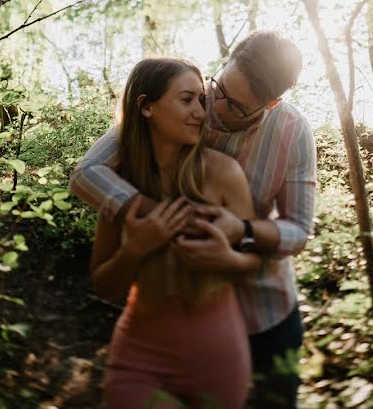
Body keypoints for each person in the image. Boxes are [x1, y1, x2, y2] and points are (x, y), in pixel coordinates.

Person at [71, 31, 317, 408]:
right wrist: (156, 218)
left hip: (262, 313)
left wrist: (242, 232)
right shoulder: (186, 99)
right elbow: (88, 171)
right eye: (215, 90)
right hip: (165, 322)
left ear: (270, 104)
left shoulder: (291, 132)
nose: (213, 110)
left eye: (233, 106)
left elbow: (299, 230)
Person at [90, 57, 260, 408]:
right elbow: (104, 287)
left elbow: (254, 263)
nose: (200, 112)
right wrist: (133, 250)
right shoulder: (117, 183)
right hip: (140, 353)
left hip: (218, 353)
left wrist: (228, 259)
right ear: (146, 107)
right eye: (186, 100)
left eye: (201, 100)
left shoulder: (224, 173)